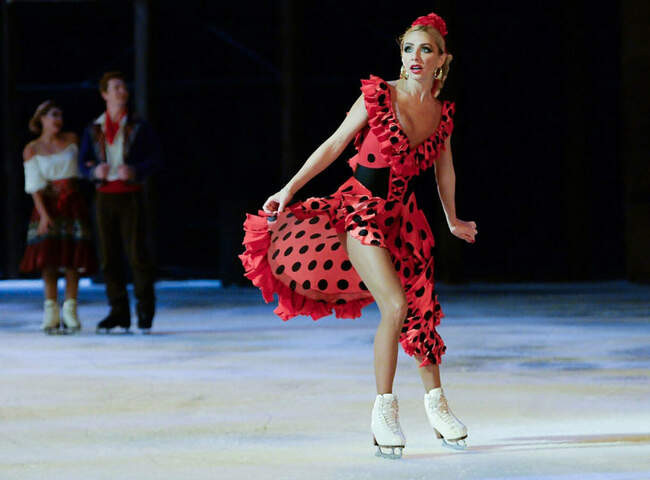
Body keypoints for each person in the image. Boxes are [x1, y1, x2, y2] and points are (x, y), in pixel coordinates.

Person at [239, 13, 478, 458]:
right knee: (396, 305)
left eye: (426, 49)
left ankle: (437, 405)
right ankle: (384, 410)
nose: (415, 57)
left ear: (442, 60)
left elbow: (444, 171)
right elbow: (334, 145)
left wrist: (452, 219)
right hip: (360, 212)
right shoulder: (380, 95)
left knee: (421, 312)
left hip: (403, 221)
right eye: (408, 48)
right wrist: (288, 189)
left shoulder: (441, 114)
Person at [78, 71, 161, 334]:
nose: (121, 91)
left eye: (123, 87)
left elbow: (155, 158)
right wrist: (93, 171)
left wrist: (135, 170)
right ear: (104, 94)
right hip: (104, 196)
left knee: (137, 254)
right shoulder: (94, 128)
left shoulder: (138, 125)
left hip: (130, 195)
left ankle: (145, 310)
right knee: (108, 257)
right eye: (115, 87)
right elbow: (82, 163)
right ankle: (118, 312)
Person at [20, 100, 98, 334]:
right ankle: (51, 312)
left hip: (72, 203)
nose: (58, 120)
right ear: (41, 119)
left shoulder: (72, 139)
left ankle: (71, 311)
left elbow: (84, 164)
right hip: (48, 205)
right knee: (49, 260)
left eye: (60, 115)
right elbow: (34, 186)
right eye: (53, 115)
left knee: (73, 259)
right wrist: (44, 216)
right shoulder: (32, 148)